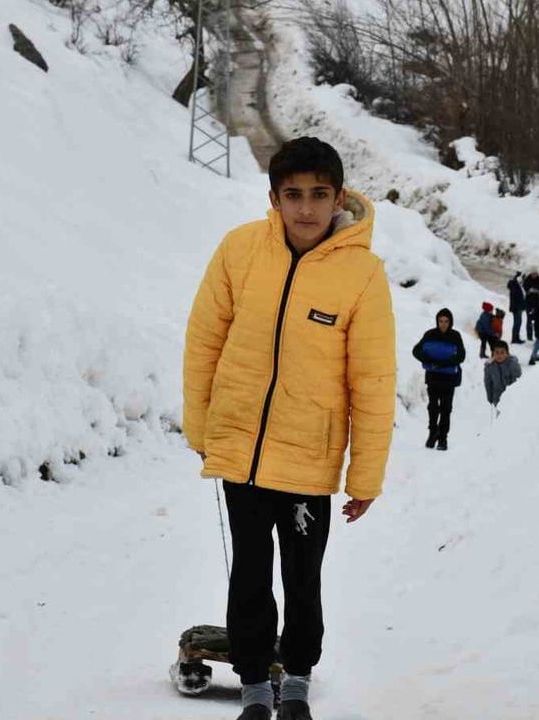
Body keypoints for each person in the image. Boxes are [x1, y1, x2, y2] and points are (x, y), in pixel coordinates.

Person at [183, 137, 397, 720]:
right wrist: (203, 426)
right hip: (242, 452)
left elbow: (372, 380)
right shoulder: (240, 250)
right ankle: (254, 688)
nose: (306, 209)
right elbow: (204, 341)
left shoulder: (362, 273)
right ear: (273, 198)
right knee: (249, 576)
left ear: (338, 198)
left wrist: (366, 476)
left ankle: (297, 682)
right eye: (293, 195)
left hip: (307, 459)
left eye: (319, 195)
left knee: (303, 580)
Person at [412, 308, 465, 451]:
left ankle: (443, 438)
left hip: (449, 378)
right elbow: (416, 350)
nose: (443, 324)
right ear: (437, 321)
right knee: (433, 408)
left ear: (450, 322)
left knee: (446, 409)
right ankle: (432, 433)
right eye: (440, 321)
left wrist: (443, 363)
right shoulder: (430, 334)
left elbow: (461, 356)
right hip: (433, 377)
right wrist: (429, 360)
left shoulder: (455, 336)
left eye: (446, 321)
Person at [483, 340, 521, 413]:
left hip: (512, 399)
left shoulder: (513, 365)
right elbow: (488, 383)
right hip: (498, 398)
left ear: (507, 353)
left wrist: (515, 396)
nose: (499, 355)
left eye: (502, 352)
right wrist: (490, 397)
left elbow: (518, 382)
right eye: (497, 352)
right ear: (493, 353)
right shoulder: (489, 367)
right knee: (500, 418)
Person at [507, 272, 526, 344]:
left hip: (519, 307)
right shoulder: (514, 285)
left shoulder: (520, 285)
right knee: (517, 323)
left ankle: (516, 337)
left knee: (518, 322)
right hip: (516, 308)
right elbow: (516, 296)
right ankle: (515, 338)